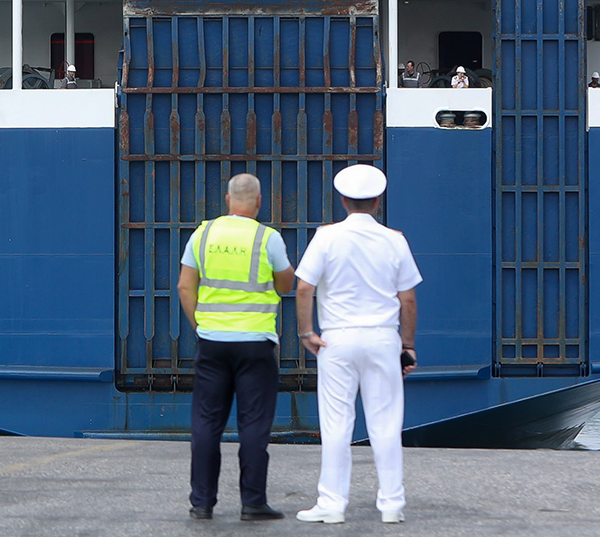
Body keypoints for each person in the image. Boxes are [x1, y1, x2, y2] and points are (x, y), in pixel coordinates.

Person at [294, 164, 422, 525]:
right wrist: (407, 345)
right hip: (383, 337)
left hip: (337, 338)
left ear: (343, 200)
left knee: (336, 423)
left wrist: (307, 332)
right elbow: (408, 300)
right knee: (385, 422)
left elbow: (304, 287)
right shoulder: (394, 240)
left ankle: (332, 504)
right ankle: (392, 504)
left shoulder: (326, 237)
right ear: (378, 201)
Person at [179, 173, 294, 522]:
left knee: (206, 423)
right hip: (256, 345)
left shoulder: (203, 234)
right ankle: (253, 502)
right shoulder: (267, 238)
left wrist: (203, 325)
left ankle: (202, 502)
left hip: (212, 343)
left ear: (227, 200)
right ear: (259, 202)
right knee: (254, 425)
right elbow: (286, 285)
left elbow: (185, 287)